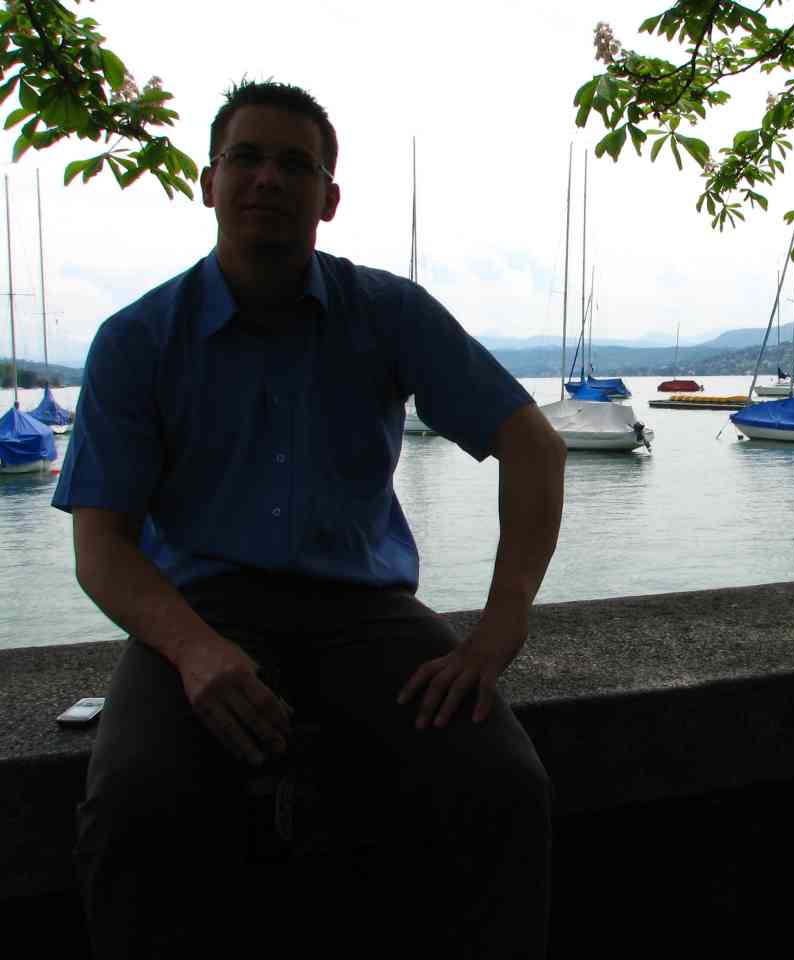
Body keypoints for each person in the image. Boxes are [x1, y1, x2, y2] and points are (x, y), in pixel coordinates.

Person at [52, 80, 567, 959]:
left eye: (296, 164)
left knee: (501, 789)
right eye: (246, 157)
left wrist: (500, 625)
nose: (268, 178)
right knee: (134, 806)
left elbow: (534, 447)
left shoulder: (387, 313)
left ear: (328, 198)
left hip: (364, 612)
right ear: (208, 182)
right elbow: (101, 546)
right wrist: (193, 650)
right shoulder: (138, 338)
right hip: (197, 613)